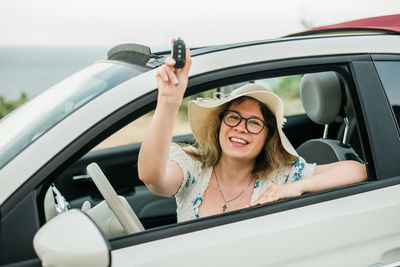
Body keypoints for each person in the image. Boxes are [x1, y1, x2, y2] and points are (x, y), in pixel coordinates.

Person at [138, 44, 367, 222]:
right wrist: (169, 100)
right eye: (233, 117)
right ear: (220, 125)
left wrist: (295, 187)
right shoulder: (192, 167)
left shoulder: (282, 176)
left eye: (254, 122)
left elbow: (357, 170)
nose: (240, 127)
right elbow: (152, 177)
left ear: (268, 136)